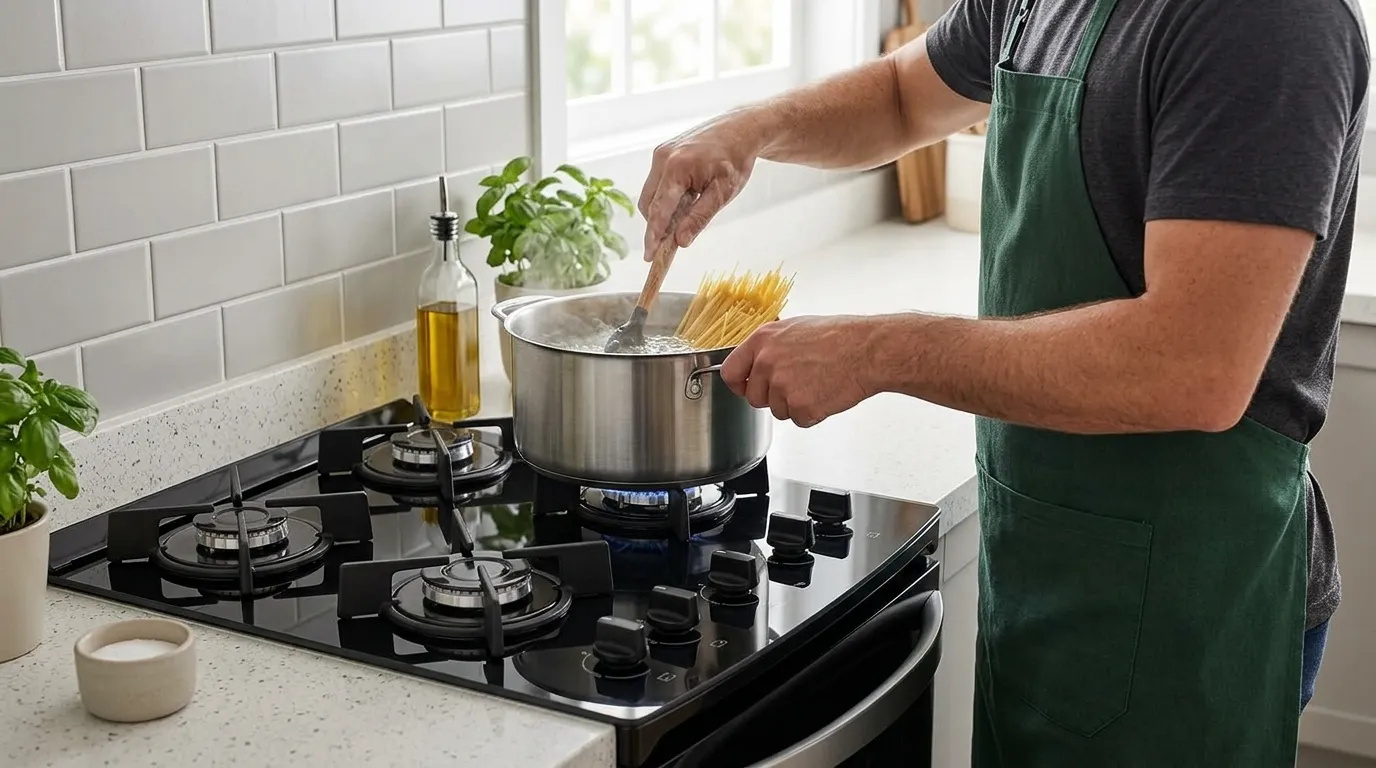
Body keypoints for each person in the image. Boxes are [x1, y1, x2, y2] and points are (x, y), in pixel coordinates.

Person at [637, 0, 1368, 764]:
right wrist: (751, 129)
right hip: (1048, 570)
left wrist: (877, 350)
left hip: (1193, 607)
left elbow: (1192, 365)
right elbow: (903, 95)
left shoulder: (1267, 21)